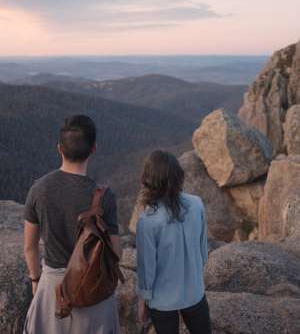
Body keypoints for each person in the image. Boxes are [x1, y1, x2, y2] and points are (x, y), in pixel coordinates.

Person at [23, 114, 121, 334]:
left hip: (52, 291)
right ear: (93, 149)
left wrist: (36, 279)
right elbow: (115, 251)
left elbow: (29, 247)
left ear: (59, 148)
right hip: (94, 291)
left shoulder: (39, 189)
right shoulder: (104, 196)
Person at [136, 150, 211, 334]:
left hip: (163, 300)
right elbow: (202, 251)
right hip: (195, 292)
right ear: (179, 176)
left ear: (149, 179)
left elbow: (148, 269)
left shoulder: (148, 221)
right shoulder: (197, 204)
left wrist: (143, 300)